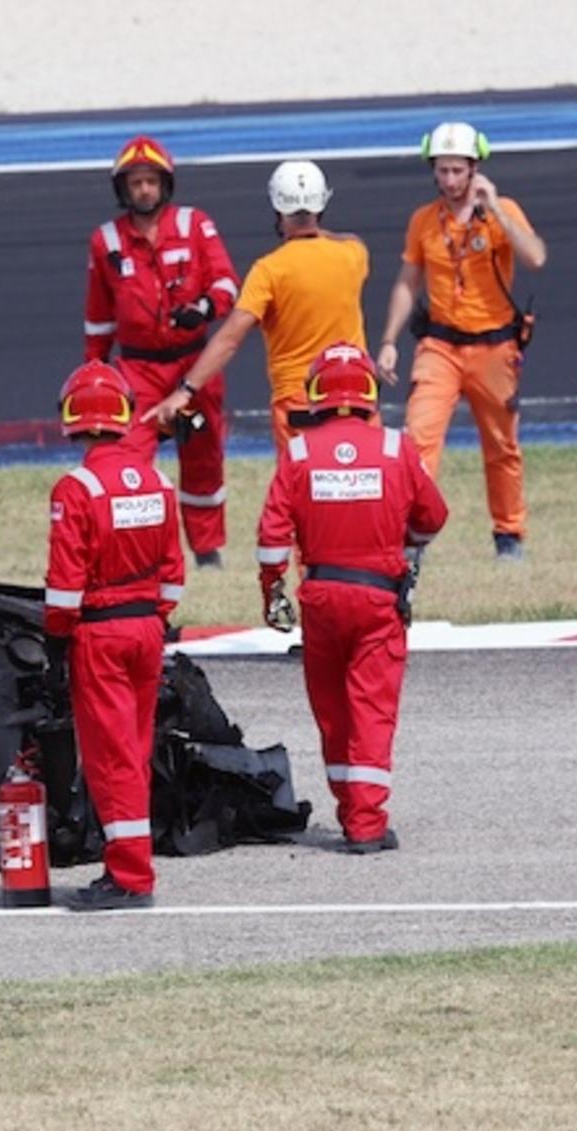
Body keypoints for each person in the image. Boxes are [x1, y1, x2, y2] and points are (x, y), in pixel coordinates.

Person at [256, 343, 447, 854]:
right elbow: (433, 517)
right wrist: (406, 542)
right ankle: (366, 824)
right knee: (372, 709)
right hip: (378, 600)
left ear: (316, 393)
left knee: (333, 710)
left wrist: (272, 590)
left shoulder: (299, 453)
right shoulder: (395, 448)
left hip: (321, 599)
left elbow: (271, 536)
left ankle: (350, 810)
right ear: (369, 393)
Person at [44, 360, 185, 909]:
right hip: (146, 629)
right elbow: (173, 574)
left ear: (72, 417)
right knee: (136, 750)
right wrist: (153, 618)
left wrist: (57, 640)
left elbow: (65, 586)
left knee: (111, 758)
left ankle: (129, 876)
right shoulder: (158, 482)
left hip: (100, 636)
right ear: (124, 413)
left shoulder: (75, 489)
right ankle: (129, 864)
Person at [373, 122, 546, 562]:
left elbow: (535, 257)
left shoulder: (501, 210)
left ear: (474, 169)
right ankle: (413, 537)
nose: (450, 180)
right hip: (440, 346)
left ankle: (509, 533)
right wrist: (389, 339)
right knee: (418, 439)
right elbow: (408, 282)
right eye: (442, 170)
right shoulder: (424, 220)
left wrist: (497, 210)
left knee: (501, 445)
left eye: (457, 170)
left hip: (495, 346)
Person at [82, 134, 240, 567]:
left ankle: (207, 551)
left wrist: (204, 308)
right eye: (135, 183)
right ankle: (131, 548)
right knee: (125, 456)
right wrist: (94, 373)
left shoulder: (195, 225)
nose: (144, 190)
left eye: (151, 181)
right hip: (137, 372)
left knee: (204, 457)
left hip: (196, 368)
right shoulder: (106, 242)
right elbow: (98, 317)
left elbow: (227, 283)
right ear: (123, 189)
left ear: (165, 184)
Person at [145, 160, 368, 460]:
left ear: (277, 208)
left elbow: (230, 338)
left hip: (300, 402)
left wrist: (185, 390)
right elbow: (348, 238)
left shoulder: (269, 271)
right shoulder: (353, 255)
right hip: (357, 395)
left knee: (302, 486)